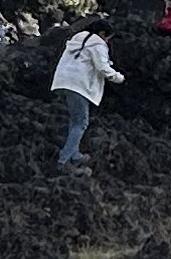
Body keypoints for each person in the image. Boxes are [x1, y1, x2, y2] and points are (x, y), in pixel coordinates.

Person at [51, 19, 121, 168]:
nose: (108, 41)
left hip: (64, 80)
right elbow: (102, 67)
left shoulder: (76, 39)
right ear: (103, 34)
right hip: (80, 84)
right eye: (108, 38)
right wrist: (119, 77)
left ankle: (75, 154)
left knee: (75, 120)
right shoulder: (98, 43)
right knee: (81, 122)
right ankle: (64, 160)